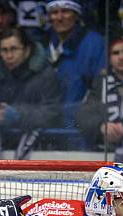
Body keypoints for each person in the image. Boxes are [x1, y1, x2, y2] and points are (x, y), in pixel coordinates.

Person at [0, 27, 62, 159]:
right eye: (4, 50)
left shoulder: (45, 74)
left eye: (14, 49)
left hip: (37, 150)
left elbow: (53, 112)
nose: (9, 56)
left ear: (27, 50)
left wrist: (18, 115)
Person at [42, 0, 105, 128]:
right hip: (49, 124)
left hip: (79, 126)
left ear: (76, 15)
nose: (59, 17)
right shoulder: (44, 44)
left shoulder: (95, 43)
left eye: (65, 11)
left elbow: (100, 89)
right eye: (54, 12)